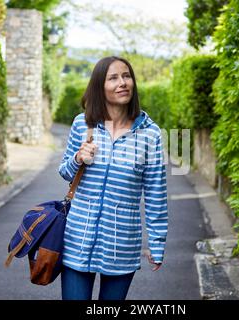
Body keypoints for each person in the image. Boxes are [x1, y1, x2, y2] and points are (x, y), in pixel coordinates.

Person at [58, 56, 168, 300]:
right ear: (100, 86)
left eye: (127, 76)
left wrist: (156, 242)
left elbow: (155, 193)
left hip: (122, 243)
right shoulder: (82, 124)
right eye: (114, 78)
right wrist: (77, 158)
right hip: (78, 238)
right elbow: (65, 172)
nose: (123, 83)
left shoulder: (150, 134)